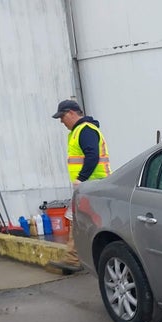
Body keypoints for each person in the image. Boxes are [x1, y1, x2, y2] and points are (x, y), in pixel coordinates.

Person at [48, 99, 111, 274]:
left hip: (92, 185)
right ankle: (76, 258)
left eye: (62, 117)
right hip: (92, 185)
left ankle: (74, 259)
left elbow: (92, 156)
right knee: (83, 221)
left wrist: (81, 179)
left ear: (71, 113)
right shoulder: (80, 131)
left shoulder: (85, 131)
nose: (61, 122)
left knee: (80, 220)